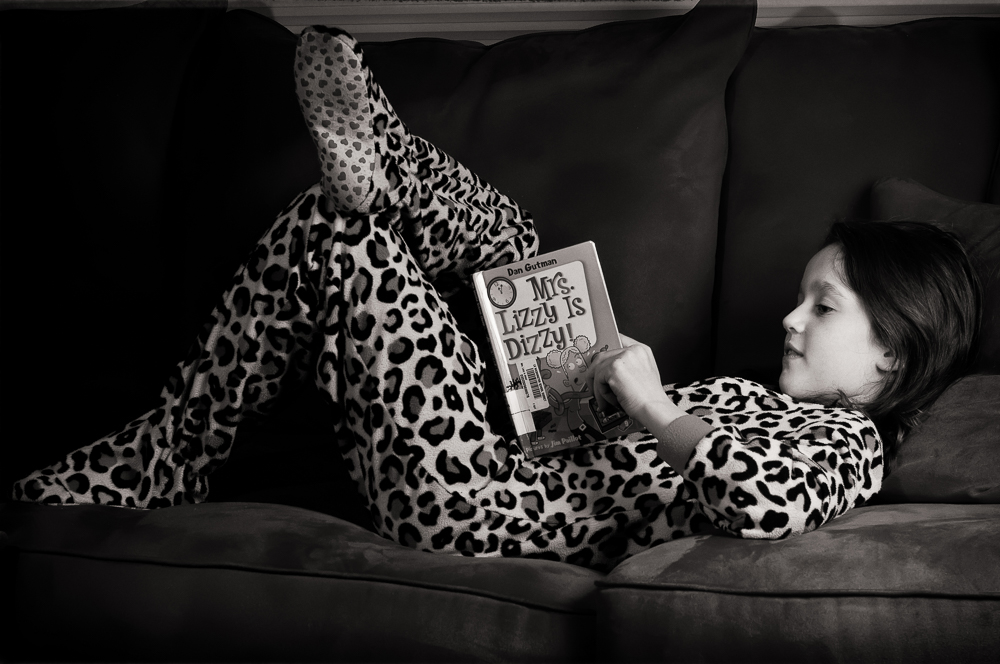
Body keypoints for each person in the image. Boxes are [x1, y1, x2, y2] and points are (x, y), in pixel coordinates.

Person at [13, 27, 982, 572]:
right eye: (801, 298)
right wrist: (597, 386)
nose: (789, 318)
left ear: (892, 354)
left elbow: (758, 501)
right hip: (524, 445)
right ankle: (383, 160)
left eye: (823, 306)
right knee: (518, 252)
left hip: (484, 507)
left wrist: (652, 406)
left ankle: (167, 456)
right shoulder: (766, 398)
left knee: (341, 236)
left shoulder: (848, 446)